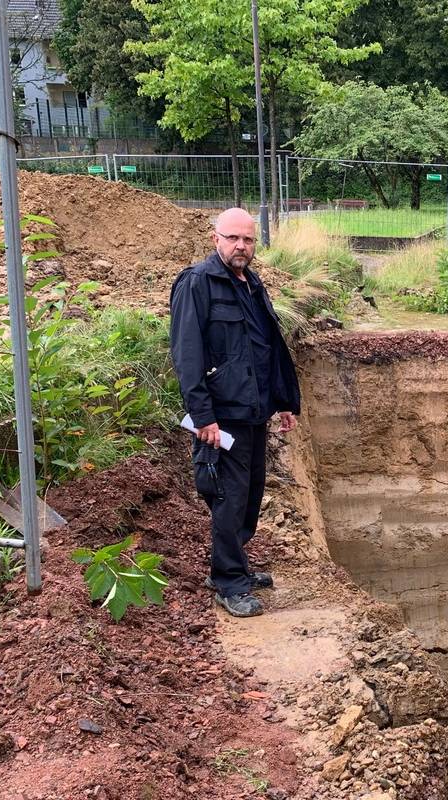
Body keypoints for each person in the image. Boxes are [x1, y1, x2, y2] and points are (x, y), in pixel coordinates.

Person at [169, 208, 300, 617]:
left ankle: (234, 564)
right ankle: (228, 581)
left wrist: (283, 402)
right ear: (216, 239)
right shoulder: (197, 284)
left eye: (248, 240)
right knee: (228, 497)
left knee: (249, 495)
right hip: (222, 418)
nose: (241, 246)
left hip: (254, 411)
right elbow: (187, 356)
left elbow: (265, 349)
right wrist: (203, 416)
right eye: (233, 239)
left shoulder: (251, 283)